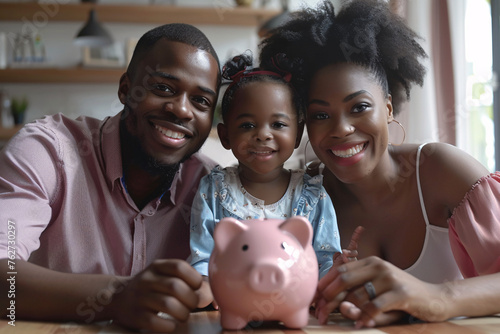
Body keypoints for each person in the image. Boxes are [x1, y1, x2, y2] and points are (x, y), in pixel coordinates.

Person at [259, 0, 500, 328]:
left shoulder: (439, 170)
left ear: (387, 108)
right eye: (320, 115)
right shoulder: (300, 197)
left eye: (358, 107)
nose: (341, 128)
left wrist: (434, 296)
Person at [0, 23, 221, 332]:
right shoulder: (48, 152)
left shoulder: (214, 191)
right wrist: (116, 296)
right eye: (164, 88)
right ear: (126, 89)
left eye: (201, 101)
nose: (182, 110)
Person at [189, 52, 341, 308]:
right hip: (232, 307)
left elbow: (324, 259)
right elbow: (202, 256)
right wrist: (206, 286)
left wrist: (333, 278)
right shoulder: (213, 190)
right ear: (225, 136)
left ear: (297, 134)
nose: (263, 135)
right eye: (248, 126)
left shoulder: (313, 196)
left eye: (278, 125)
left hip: (294, 308)